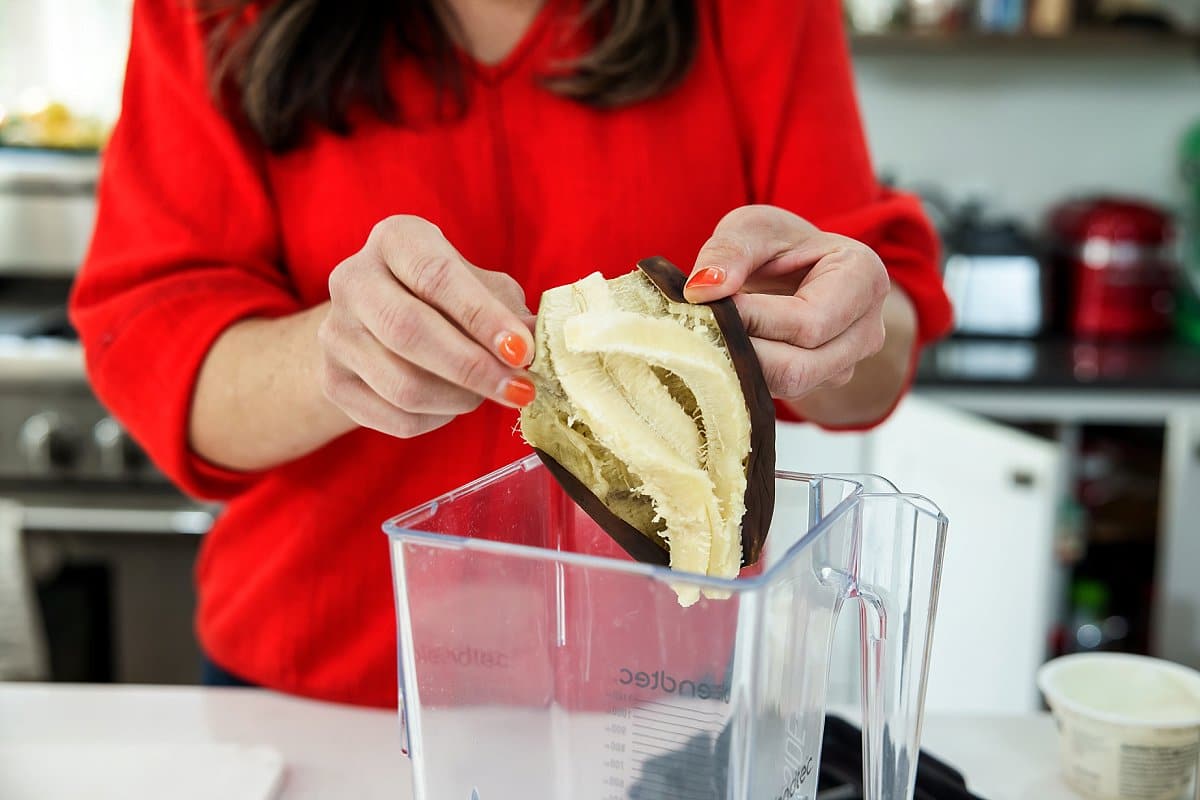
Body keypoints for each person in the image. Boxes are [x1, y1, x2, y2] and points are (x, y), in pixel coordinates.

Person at [70, 0, 953, 707]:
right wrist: (332, 356)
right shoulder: (210, 13)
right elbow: (156, 343)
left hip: (666, 689)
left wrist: (841, 327)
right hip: (317, 694)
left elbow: (870, 342)